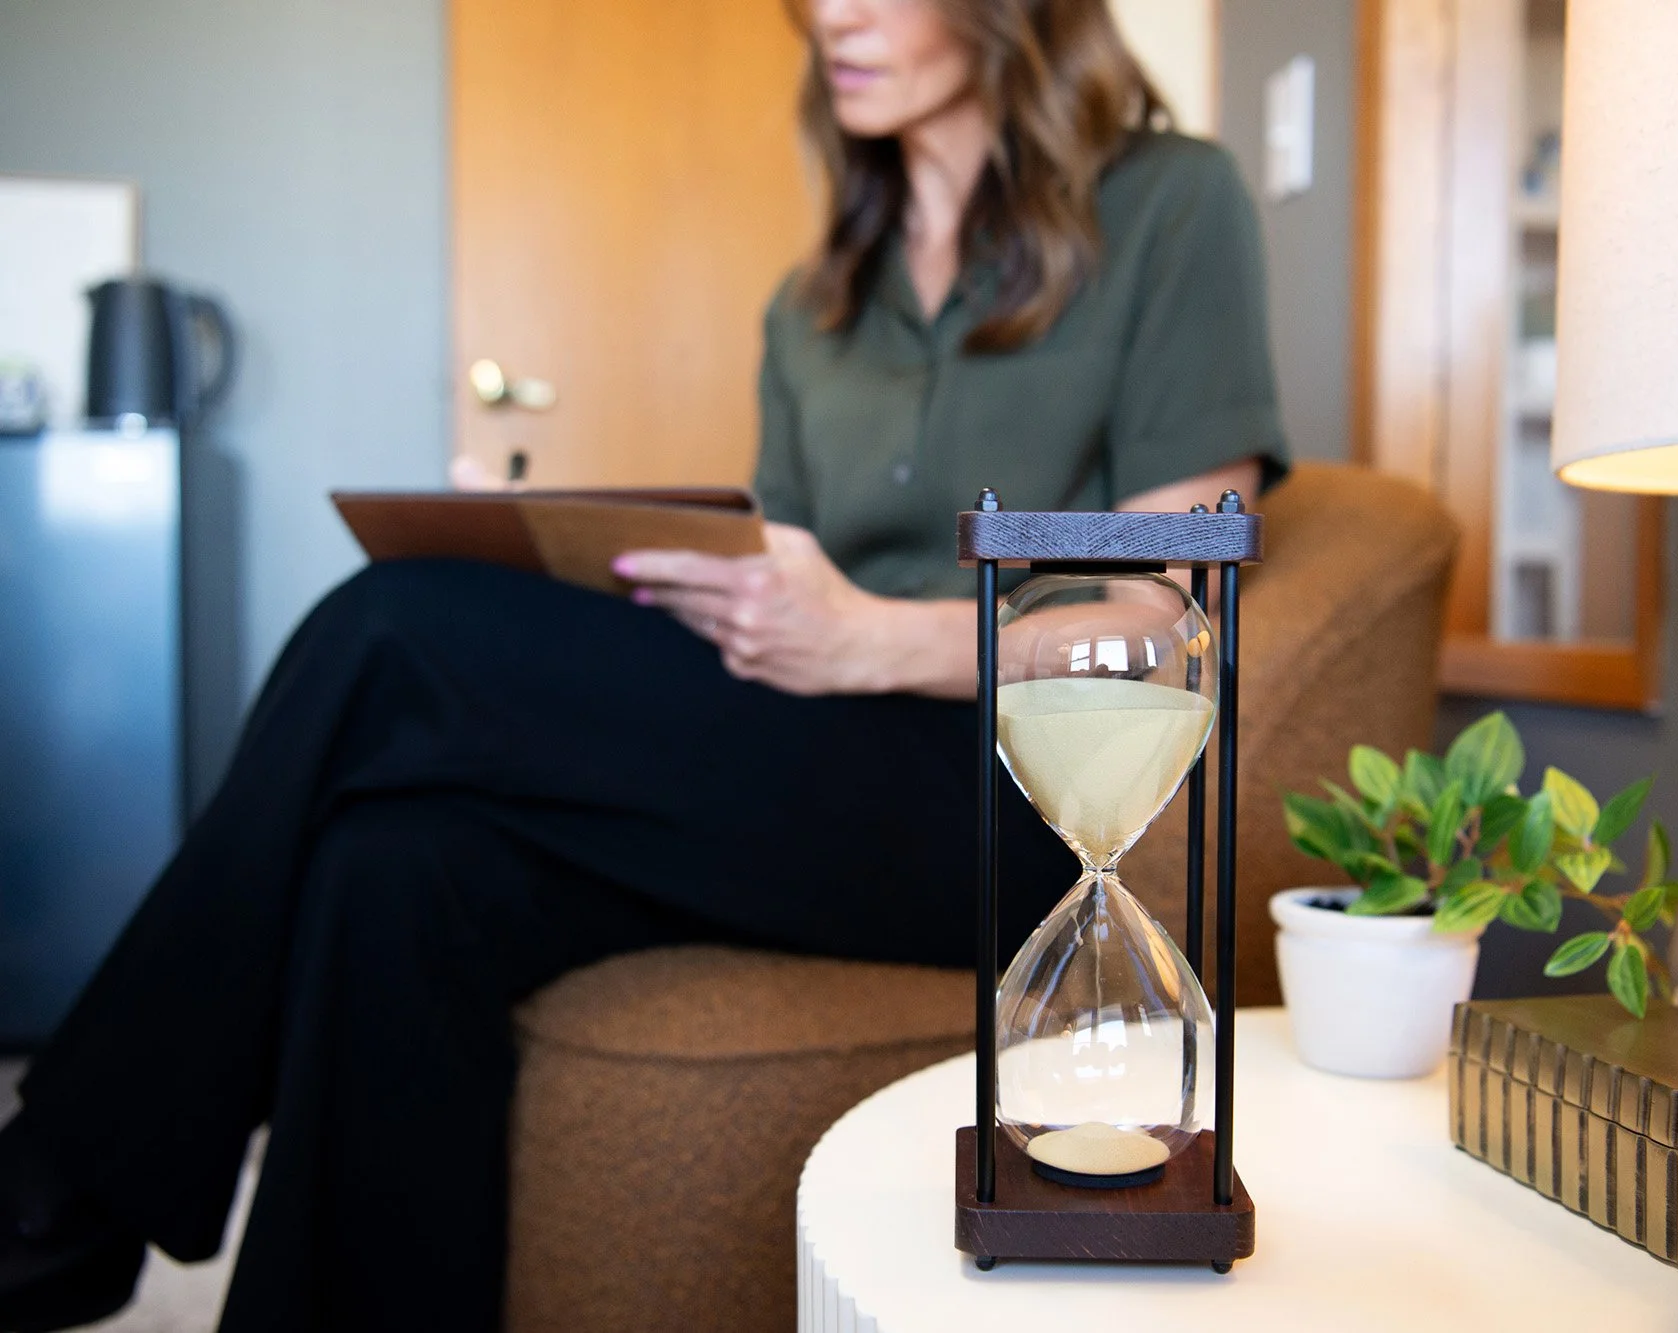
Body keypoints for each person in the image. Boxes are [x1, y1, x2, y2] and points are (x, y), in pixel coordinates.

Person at [0, 0, 1288, 1328]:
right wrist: (571, 564)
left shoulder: (1172, 205)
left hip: (1008, 791)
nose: (829, 15)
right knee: (395, 862)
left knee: (395, 628)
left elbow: (1169, 605)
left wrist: (878, 643)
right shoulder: (817, 300)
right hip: (808, 755)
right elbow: (782, 569)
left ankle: (61, 1184)